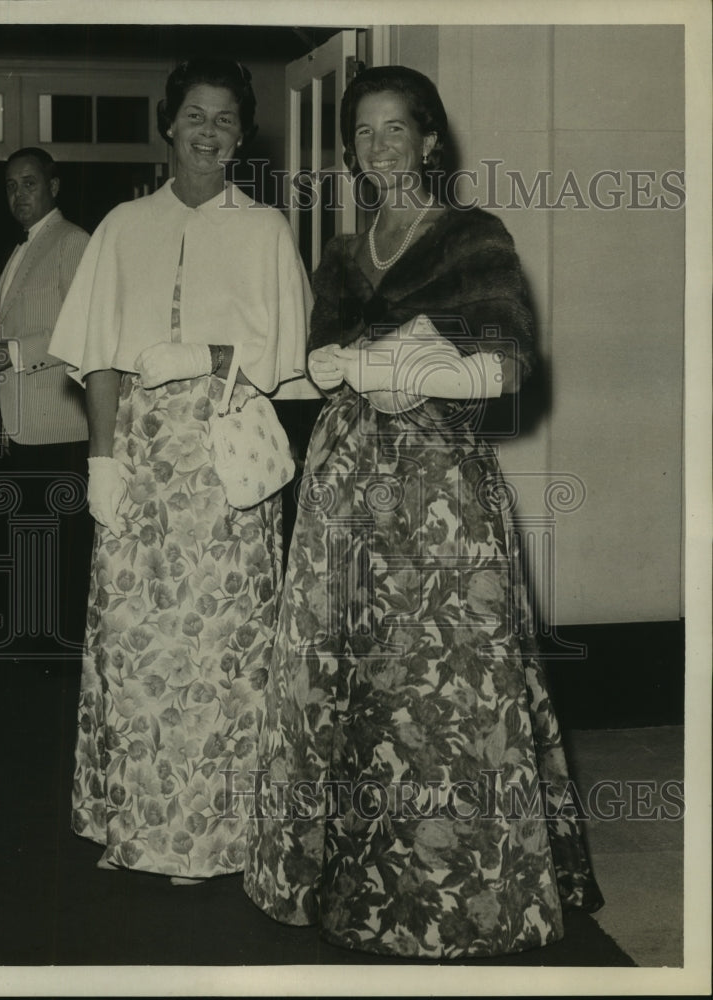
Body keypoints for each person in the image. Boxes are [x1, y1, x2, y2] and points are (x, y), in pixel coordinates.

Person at [244, 66, 603, 958]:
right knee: (350, 676)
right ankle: (355, 891)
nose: (377, 150)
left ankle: (470, 897)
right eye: (361, 135)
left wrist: (399, 369)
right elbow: (314, 362)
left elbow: (510, 362)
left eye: (394, 130)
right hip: (342, 491)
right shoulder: (337, 252)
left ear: (429, 140)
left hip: (437, 493)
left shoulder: (471, 235)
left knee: (446, 683)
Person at [48, 57, 314, 883]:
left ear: (243, 136)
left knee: (219, 651)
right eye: (194, 116)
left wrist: (206, 352)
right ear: (169, 125)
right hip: (138, 456)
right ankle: (137, 825)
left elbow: (287, 358)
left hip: (226, 458)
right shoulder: (125, 226)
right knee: (135, 643)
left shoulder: (267, 228)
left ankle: (210, 839)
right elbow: (98, 358)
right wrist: (100, 462)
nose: (208, 133)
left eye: (225, 120)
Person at [0, 147, 93, 646]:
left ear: (54, 186)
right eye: (10, 186)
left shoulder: (73, 242)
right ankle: (36, 649)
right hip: (22, 428)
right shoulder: (21, 248)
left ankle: (58, 655)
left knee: (60, 557)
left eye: (29, 183)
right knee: (32, 551)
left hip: (59, 429)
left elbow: (82, 329)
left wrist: (11, 353)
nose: (18, 194)